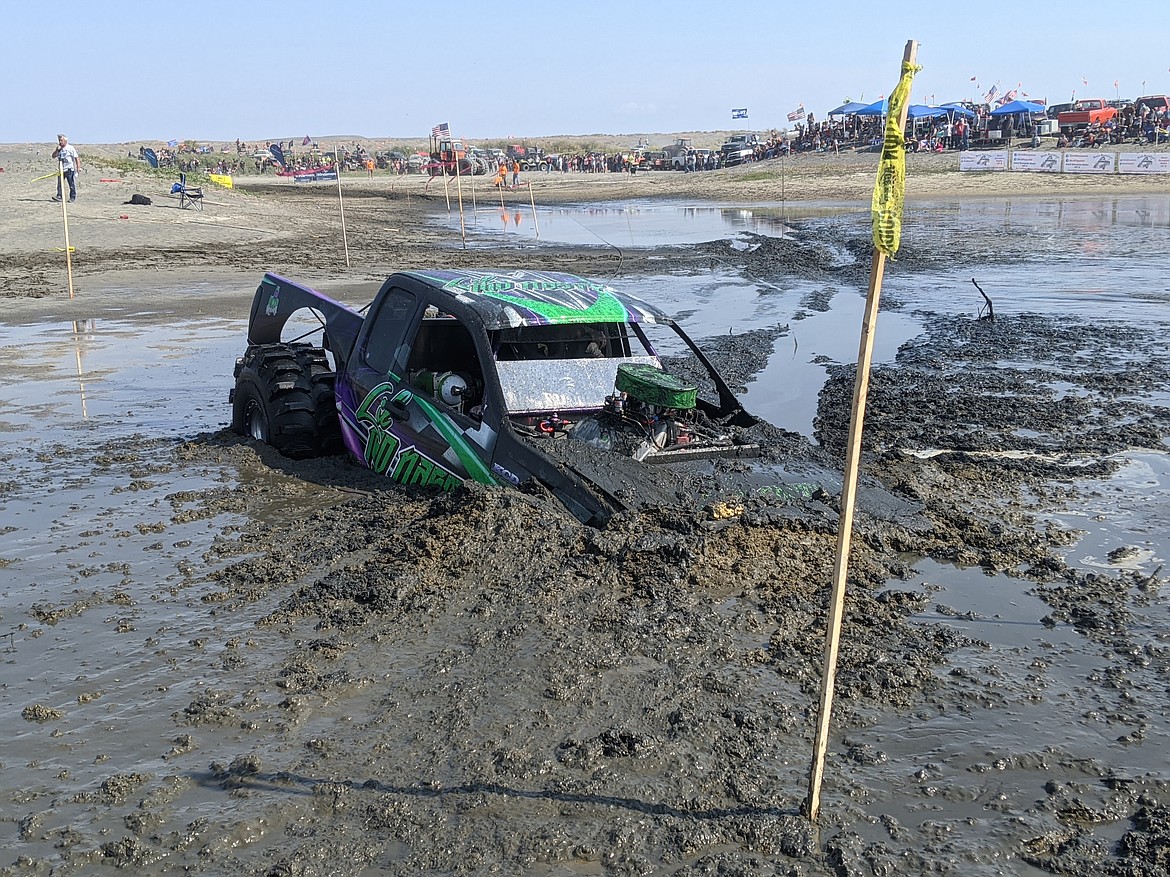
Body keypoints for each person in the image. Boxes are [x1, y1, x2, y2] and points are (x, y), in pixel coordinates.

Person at [51, 133, 80, 202]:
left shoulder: (70, 148)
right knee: (60, 184)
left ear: (65, 140)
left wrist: (78, 167)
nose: (60, 142)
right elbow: (53, 156)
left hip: (69, 169)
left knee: (71, 184)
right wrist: (57, 150)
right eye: (59, 140)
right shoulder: (59, 149)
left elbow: (76, 158)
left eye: (61, 140)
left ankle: (72, 197)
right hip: (61, 169)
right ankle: (59, 196)